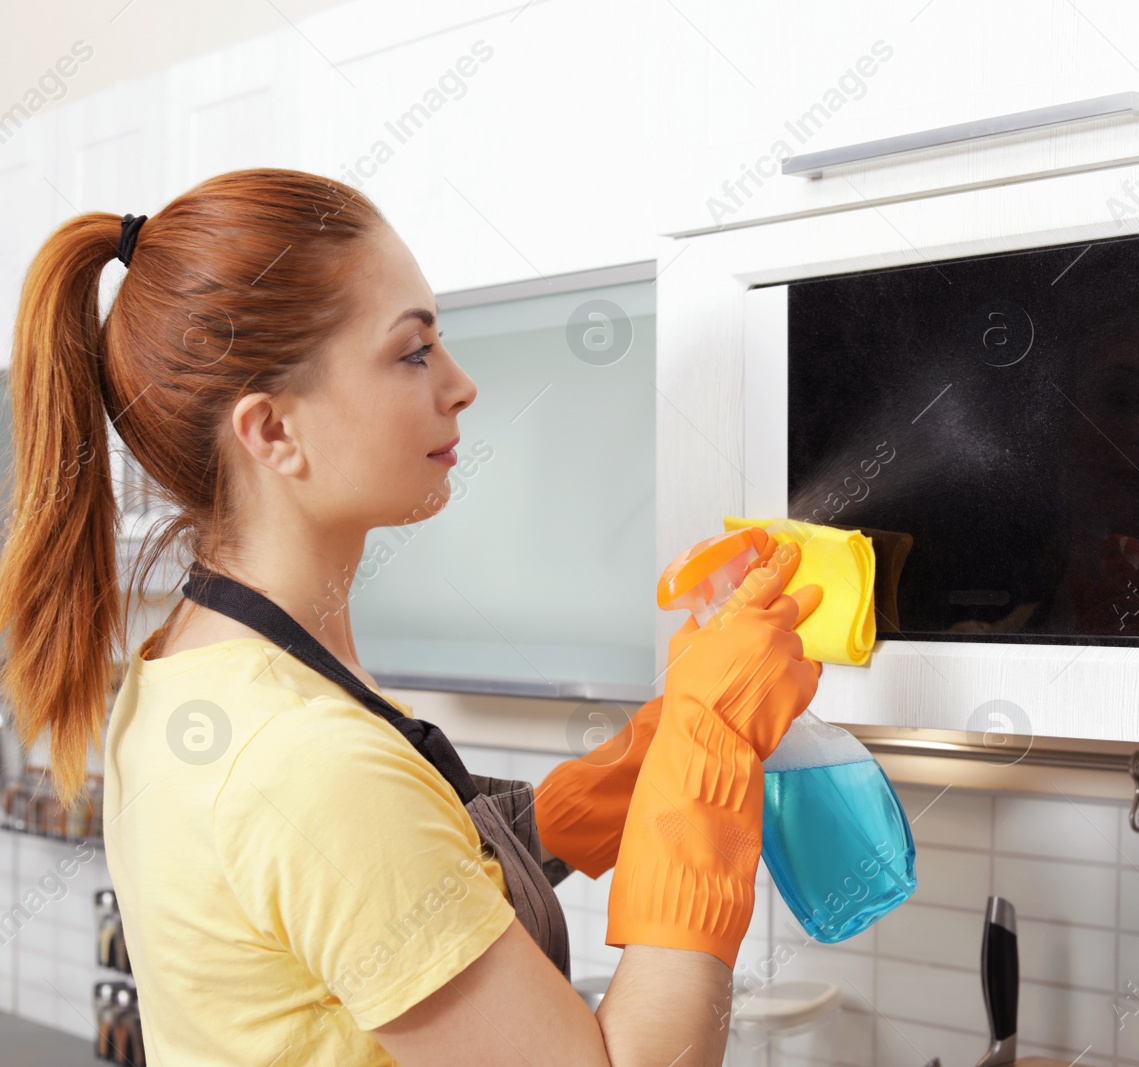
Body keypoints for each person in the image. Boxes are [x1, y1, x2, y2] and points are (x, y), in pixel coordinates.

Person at [0, 167, 823, 1066]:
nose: (461, 385)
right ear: (272, 431)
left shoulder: (194, 665)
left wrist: (627, 775)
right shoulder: (304, 764)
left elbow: (387, 874)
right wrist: (707, 753)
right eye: (413, 351)